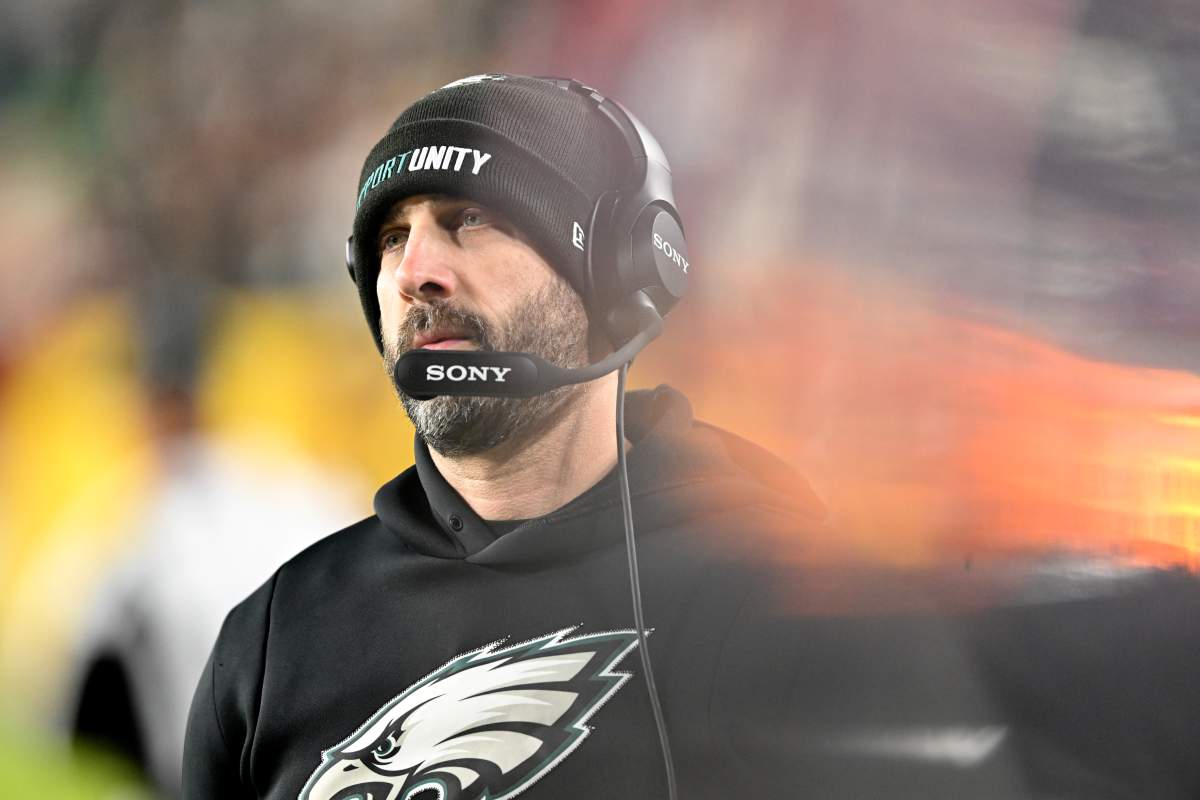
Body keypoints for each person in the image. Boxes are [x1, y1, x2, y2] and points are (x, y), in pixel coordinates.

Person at [184, 74, 1200, 800]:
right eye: (391, 238)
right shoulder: (276, 640)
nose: (415, 272)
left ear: (621, 271)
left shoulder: (798, 591)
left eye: (470, 220)